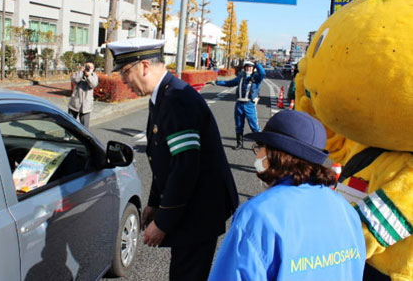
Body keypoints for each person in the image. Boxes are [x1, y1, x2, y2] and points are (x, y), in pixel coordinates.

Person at [107, 38, 239, 281]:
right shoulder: (164, 95)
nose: (123, 80)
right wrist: (154, 203)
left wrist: (164, 222)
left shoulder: (177, 98)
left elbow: (185, 166)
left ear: (144, 66)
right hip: (190, 203)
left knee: (186, 275)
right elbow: (163, 158)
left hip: (200, 208)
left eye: (125, 72)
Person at [208, 110, 366, 281]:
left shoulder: (258, 215)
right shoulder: (345, 209)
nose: (258, 154)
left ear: (274, 154)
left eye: (259, 147)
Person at [216, 60, 266, 150]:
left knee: (254, 125)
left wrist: (257, 64)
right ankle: (239, 144)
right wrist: (217, 82)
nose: (248, 68)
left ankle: (261, 144)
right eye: (246, 66)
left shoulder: (256, 78)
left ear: (253, 68)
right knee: (239, 125)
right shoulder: (241, 77)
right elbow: (229, 83)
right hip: (239, 103)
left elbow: (263, 73)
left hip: (249, 104)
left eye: (250, 67)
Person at [68, 60, 98, 128]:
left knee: (85, 127)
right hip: (74, 103)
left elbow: (93, 84)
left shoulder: (94, 76)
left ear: (93, 69)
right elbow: (74, 80)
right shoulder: (79, 74)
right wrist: (81, 72)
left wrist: (88, 76)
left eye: (89, 67)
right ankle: (68, 137)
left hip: (86, 106)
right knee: (70, 123)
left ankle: (84, 138)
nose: (87, 68)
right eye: (86, 66)